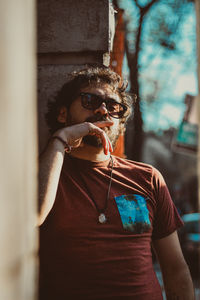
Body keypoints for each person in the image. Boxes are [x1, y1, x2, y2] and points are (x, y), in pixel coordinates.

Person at [38, 67, 195, 300]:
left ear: (119, 123)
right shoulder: (44, 172)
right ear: (63, 114)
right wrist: (60, 140)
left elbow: (175, 269)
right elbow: (32, 215)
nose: (103, 110)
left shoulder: (147, 178)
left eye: (113, 107)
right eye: (90, 100)